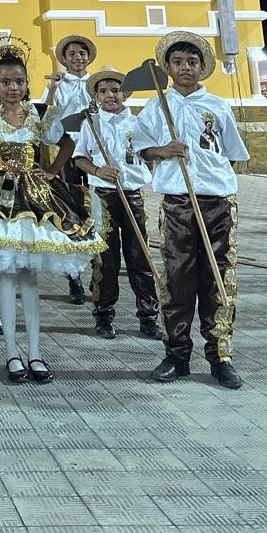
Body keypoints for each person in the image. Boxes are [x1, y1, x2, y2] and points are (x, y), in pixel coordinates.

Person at [0, 41, 104, 382]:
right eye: (6, 82)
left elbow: (67, 142)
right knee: (4, 274)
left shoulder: (39, 113)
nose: (13, 88)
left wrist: (53, 170)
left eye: (19, 81)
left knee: (28, 277)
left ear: (27, 83)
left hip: (36, 197)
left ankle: (35, 352)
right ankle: (12, 352)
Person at [133, 31, 249, 389]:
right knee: (177, 279)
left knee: (218, 277)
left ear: (202, 68)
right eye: (178, 62)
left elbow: (231, 153)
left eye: (192, 62)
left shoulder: (217, 106)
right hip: (177, 202)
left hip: (217, 201)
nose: (185, 67)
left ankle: (220, 356)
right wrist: (163, 151)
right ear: (167, 68)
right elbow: (141, 148)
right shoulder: (157, 106)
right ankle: (177, 355)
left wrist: (210, 179)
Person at [72, 69, 163, 341]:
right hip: (104, 197)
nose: (110, 95)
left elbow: (148, 154)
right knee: (106, 259)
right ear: (96, 97)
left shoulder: (138, 123)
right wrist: (98, 170)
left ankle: (148, 316)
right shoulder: (91, 125)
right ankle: (103, 314)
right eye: (103, 91)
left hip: (133, 195)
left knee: (139, 256)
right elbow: (80, 158)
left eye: (115, 90)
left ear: (126, 94)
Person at [42, 34, 98, 305]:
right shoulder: (58, 84)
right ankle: (74, 275)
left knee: (98, 210)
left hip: (96, 151)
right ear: (64, 59)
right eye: (72, 54)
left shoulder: (97, 84)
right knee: (71, 210)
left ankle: (99, 271)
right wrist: (53, 89)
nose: (77, 57)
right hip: (67, 151)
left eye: (82, 53)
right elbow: (47, 117)